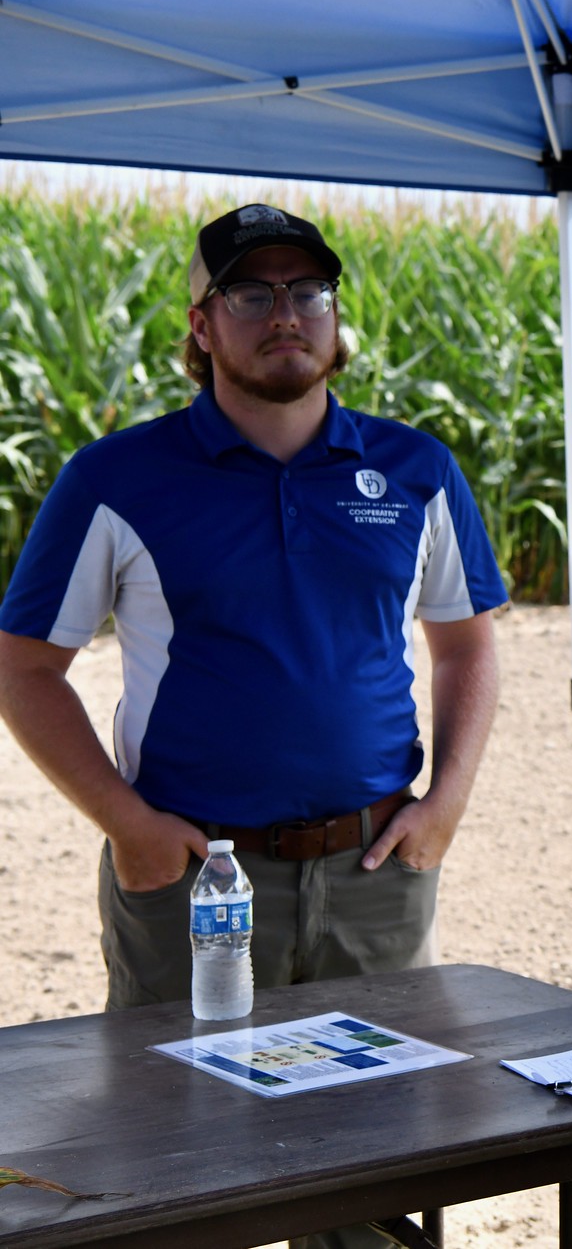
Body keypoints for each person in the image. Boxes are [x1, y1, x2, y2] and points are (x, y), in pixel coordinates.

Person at [0, 204, 504, 1249]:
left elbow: (466, 645)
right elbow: (26, 667)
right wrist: (125, 822)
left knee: (376, 1164)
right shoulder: (118, 478)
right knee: (179, 1165)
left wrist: (446, 804)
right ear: (201, 323)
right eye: (251, 292)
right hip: (192, 881)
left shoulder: (415, 470)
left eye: (307, 290)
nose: (286, 314)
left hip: (375, 873)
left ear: (334, 316)